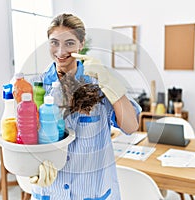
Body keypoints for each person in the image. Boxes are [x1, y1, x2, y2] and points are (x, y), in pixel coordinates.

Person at [30, 13, 141, 200]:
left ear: (81, 44)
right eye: (54, 42)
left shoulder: (99, 82)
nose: (61, 51)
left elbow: (131, 126)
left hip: (93, 193)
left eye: (70, 43)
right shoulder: (36, 86)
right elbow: (25, 140)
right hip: (50, 193)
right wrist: (29, 169)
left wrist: (109, 84)